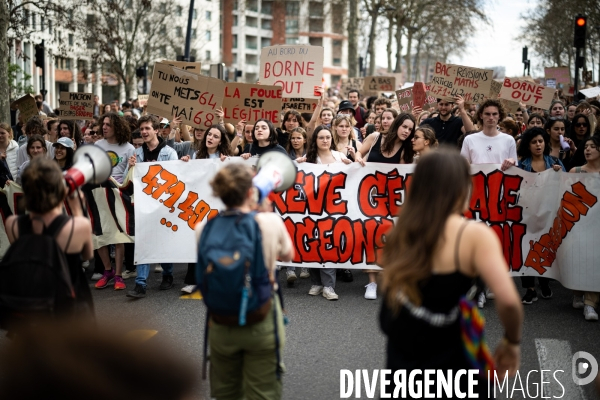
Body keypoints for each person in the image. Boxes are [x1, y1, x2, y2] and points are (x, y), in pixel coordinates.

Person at [379, 149, 523, 397]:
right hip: (456, 356)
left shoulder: (400, 230)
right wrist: (511, 341)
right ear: (460, 187)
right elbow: (509, 301)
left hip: (404, 356)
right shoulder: (474, 235)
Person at [198, 163, 293, 400]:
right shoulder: (269, 222)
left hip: (220, 321)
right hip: (261, 317)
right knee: (263, 393)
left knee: (226, 393)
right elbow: (288, 255)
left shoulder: (204, 227)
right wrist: (263, 210)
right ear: (251, 192)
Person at [7, 158, 94, 323]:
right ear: (59, 189)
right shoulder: (77, 226)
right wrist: (77, 209)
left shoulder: (12, 223)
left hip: (33, 303)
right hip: (69, 303)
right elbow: (87, 254)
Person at [460, 99, 518, 308]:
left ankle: (489, 283)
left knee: (494, 243)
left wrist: (512, 162)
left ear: (499, 116)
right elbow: (463, 166)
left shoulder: (508, 140)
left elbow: (515, 169)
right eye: (487, 114)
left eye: (495, 114)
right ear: (481, 116)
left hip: (499, 199)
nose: (491, 118)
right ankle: (479, 289)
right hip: (475, 199)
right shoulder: (471, 140)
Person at [356, 114, 416, 300]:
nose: (406, 131)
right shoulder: (374, 138)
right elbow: (359, 152)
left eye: (410, 129)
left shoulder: (406, 150)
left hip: (390, 200)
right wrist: (358, 159)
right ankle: (372, 282)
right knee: (370, 237)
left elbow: (402, 176)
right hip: (368, 196)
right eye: (404, 126)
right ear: (397, 125)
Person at [124, 116, 178, 298]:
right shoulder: (137, 153)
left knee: (164, 241)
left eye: (148, 128)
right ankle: (140, 284)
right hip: (143, 206)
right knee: (144, 243)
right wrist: (130, 167)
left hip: (163, 205)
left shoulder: (169, 153)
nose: (144, 132)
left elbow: (177, 179)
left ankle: (168, 274)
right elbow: (127, 180)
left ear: (156, 130)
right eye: (142, 129)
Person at [296, 126, 351, 300]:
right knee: (313, 243)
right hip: (312, 209)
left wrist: (352, 165)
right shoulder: (309, 159)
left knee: (329, 244)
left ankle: (329, 286)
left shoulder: (340, 157)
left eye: (328, 137)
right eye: (321, 138)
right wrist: (298, 164)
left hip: (333, 209)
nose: (325, 140)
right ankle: (316, 282)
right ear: (316, 140)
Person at [517, 128, 564, 304]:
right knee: (526, 249)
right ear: (528, 146)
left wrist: (559, 173)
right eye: (534, 142)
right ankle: (530, 289)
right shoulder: (521, 165)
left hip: (549, 214)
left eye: (541, 141)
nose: (538, 145)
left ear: (545, 143)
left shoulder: (555, 163)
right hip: (527, 214)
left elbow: (565, 188)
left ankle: (544, 282)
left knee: (546, 248)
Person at [94, 112, 135, 291]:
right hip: (98, 192)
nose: (104, 127)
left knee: (118, 235)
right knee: (100, 233)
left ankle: (118, 275)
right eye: (103, 124)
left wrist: (133, 166)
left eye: (108, 124)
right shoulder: (97, 145)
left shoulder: (129, 148)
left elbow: (129, 176)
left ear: (117, 127)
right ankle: (107, 271)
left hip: (118, 194)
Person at [569, 136, 600, 321]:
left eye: (593, 147)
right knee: (580, 261)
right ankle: (578, 294)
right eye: (586, 146)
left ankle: (590, 303)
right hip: (579, 224)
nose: (588, 150)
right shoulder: (576, 171)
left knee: (595, 262)